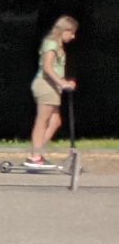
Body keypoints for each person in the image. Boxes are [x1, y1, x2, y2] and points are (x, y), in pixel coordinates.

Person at [26, 15, 80, 167]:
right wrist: (62, 83)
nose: (73, 36)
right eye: (72, 32)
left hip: (53, 87)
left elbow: (56, 69)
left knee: (56, 122)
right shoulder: (51, 43)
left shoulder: (57, 45)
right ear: (64, 30)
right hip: (46, 85)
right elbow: (48, 68)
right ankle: (35, 156)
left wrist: (65, 82)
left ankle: (36, 153)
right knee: (42, 121)